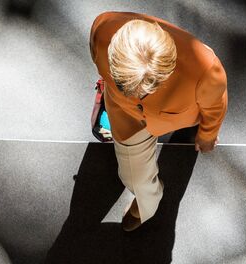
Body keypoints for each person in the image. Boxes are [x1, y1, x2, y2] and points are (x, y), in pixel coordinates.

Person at [89, 11, 228, 231]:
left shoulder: (206, 72)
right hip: (125, 120)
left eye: (141, 90)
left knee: (135, 176)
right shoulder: (103, 29)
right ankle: (148, 200)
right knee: (132, 176)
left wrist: (207, 134)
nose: (131, 96)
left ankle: (146, 206)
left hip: (175, 118)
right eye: (122, 83)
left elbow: (215, 105)